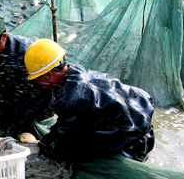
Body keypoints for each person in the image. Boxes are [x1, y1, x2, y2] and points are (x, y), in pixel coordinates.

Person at [24, 38, 155, 162]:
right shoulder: (77, 73)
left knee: (70, 153)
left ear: (49, 75)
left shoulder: (72, 99)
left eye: (38, 78)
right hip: (142, 122)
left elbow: (63, 143)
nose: (38, 83)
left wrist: (43, 148)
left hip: (132, 144)